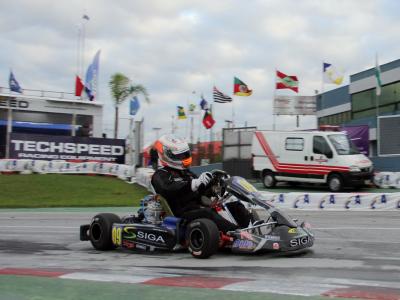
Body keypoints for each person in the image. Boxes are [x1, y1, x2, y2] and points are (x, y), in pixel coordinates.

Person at [151, 134, 251, 233]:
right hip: (181, 213)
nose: (184, 157)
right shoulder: (160, 175)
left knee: (234, 204)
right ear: (167, 155)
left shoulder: (186, 173)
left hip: (198, 207)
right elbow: (169, 189)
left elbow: (200, 192)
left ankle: (252, 227)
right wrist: (193, 184)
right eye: (180, 156)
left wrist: (213, 184)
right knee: (207, 213)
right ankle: (237, 234)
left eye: (185, 154)